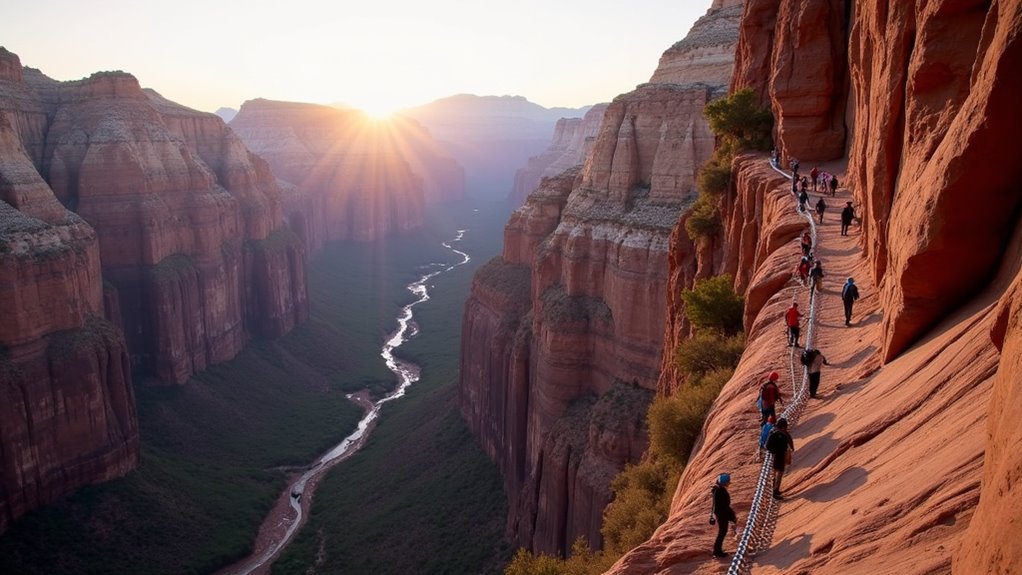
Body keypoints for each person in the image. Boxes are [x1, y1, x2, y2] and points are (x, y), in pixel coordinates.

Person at [710, 473, 737, 558]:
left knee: (722, 532)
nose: (729, 483)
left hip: (719, 513)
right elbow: (724, 506)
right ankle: (717, 551)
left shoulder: (717, 490)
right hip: (722, 514)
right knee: (722, 532)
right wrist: (731, 516)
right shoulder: (721, 491)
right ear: (724, 483)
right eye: (728, 482)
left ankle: (717, 550)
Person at [766, 418, 795, 499]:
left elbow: (768, 445)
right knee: (777, 474)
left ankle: (776, 490)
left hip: (777, 456)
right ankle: (775, 492)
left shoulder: (775, 433)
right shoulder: (780, 434)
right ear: (783, 426)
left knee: (777, 474)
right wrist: (777, 451)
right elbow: (768, 445)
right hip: (778, 457)